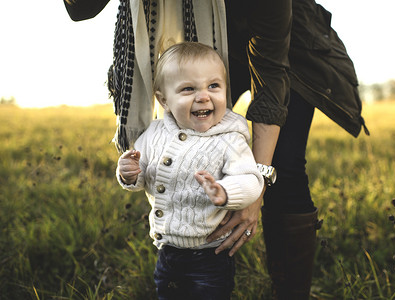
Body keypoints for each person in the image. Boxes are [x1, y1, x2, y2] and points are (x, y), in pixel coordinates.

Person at [64, 0, 369, 299]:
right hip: (196, 45)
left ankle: (289, 292)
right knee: (193, 151)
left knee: (285, 167)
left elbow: (271, 74)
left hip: (289, 51)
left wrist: (255, 184)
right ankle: (196, 256)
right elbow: (80, 9)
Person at [117, 42, 264, 300]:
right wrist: (129, 172)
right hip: (167, 252)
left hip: (211, 255)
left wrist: (225, 191)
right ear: (164, 100)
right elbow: (142, 175)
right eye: (188, 89)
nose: (203, 96)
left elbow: (251, 180)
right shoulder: (154, 134)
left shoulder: (229, 139)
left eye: (214, 86)